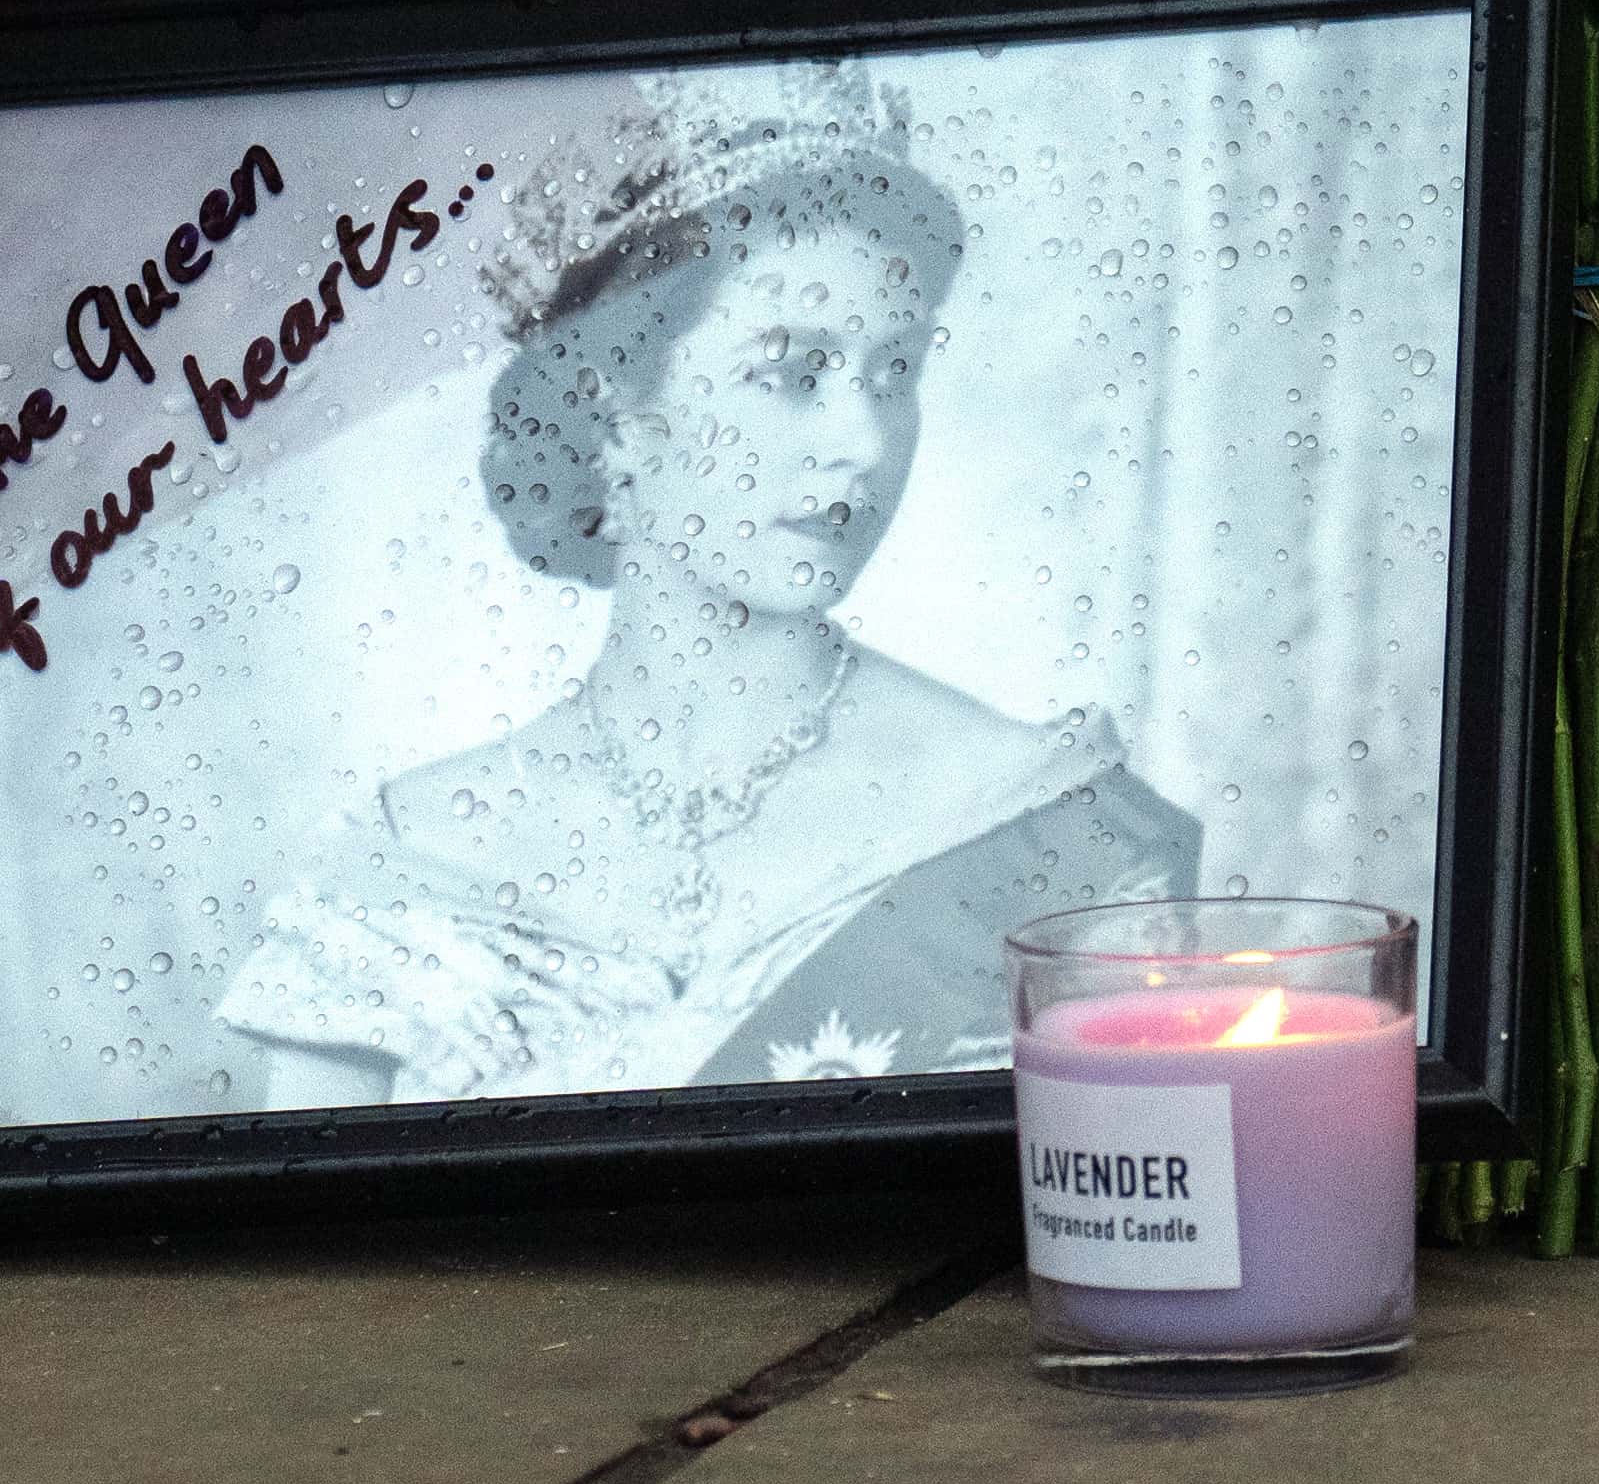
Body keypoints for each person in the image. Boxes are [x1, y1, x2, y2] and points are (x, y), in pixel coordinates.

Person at [219, 64, 1199, 1104]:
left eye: (894, 371)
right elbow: (308, 1247)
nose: (862, 442)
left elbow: (1143, 1194)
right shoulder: (407, 858)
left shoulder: (1046, 818)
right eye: (789, 371)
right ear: (612, 412)